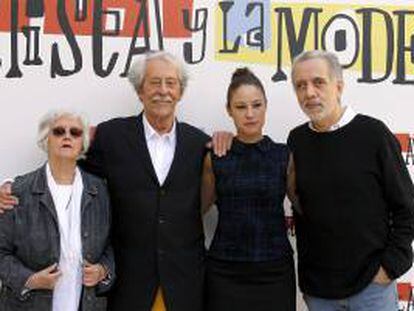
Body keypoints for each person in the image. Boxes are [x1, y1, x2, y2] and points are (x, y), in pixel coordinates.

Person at [0, 51, 229, 311]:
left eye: (171, 82)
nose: (163, 90)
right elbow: (65, 164)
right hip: (128, 285)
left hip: (185, 283)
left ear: (180, 91)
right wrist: (12, 185)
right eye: (154, 82)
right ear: (140, 90)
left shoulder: (199, 143)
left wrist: (229, 138)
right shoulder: (111, 136)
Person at [287, 50, 414, 311]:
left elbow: (407, 207)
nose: (309, 92)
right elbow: (301, 206)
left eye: (318, 82)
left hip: (372, 289)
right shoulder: (296, 140)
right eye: (301, 85)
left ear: (339, 86)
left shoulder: (373, 135)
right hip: (319, 293)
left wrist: (389, 268)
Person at [0, 110, 114, 311]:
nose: (67, 136)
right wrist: (30, 280)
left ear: (83, 144)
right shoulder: (18, 191)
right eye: (59, 131)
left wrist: (103, 271)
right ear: (46, 140)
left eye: (75, 133)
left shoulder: (100, 192)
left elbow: (110, 246)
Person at [202, 68, 296, 311]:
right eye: (241, 107)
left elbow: (306, 207)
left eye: (256, 105)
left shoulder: (283, 156)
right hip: (224, 272)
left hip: (275, 272)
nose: (250, 114)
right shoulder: (217, 156)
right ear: (229, 110)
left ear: (266, 106)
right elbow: (196, 210)